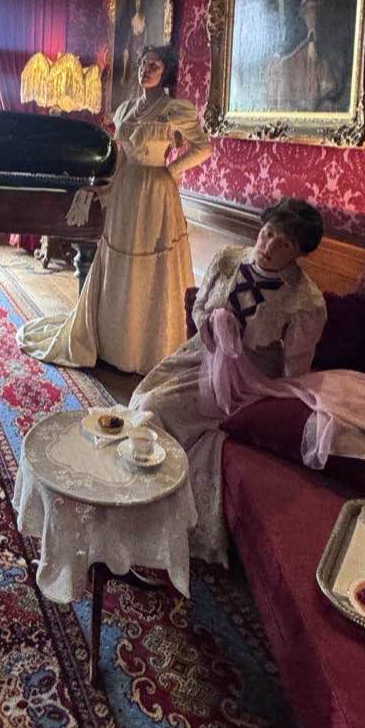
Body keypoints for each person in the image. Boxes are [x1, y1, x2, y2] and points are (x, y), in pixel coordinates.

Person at [127, 198, 327, 564]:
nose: (268, 247)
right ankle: (139, 482)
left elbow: (296, 366)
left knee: (156, 410)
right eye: (267, 234)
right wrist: (213, 323)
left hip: (248, 376)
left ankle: (155, 506)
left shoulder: (306, 300)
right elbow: (200, 306)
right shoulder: (227, 259)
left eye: (283, 244)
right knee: (143, 396)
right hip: (201, 352)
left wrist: (265, 406)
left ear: (299, 253)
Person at [17, 44, 212, 375]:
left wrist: (172, 170)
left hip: (156, 190)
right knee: (118, 260)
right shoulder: (124, 110)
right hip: (125, 187)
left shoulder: (174, 110)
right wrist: (104, 184)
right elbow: (121, 154)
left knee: (150, 264)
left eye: (153, 65)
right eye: (142, 63)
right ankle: (112, 341)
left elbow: (202, 148)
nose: (145, 69)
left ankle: (147, 347)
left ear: (165, 71)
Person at [121, 0, 148, 87]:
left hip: (143, 60)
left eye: (139, 0)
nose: (137, 3)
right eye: (136, 0)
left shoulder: (145, 20)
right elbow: (128, 42)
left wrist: (142, 53)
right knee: (132, 87)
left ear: (142, 1)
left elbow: (147, 41)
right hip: (133, 61)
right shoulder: (132, 20)